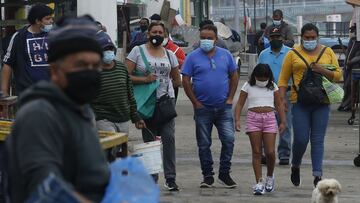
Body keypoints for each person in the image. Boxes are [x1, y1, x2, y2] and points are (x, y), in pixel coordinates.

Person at [6, 16, 110, 203]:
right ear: (54, 71)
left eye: (95, 66)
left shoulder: (82, 110)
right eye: (80, 65)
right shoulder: (39, 114)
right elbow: (44, 189)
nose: (90, 72)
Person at [278, 23, 342, 187]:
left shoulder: (327, 52)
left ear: (317, 37)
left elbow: (338, 75)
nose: (310, 40)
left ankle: (317, 175)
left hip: (322, 101)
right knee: (300, 139)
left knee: (318, 139)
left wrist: (322, 70)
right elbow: (283, 80)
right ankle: (296, 165)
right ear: (301, 37)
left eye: (313, 38)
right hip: (299, 102)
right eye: (307, 38)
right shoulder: (292, 54)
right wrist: (282, 99)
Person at [126, 22, 181, 191]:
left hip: (165, 101)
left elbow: (177, 79)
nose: (157, 34)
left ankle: (170, 178)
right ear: (148, 34)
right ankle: (151, 178)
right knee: (149, 142)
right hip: (146, 103)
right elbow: (126, 76)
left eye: (160, 32)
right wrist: (144, 80)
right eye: (154, 32)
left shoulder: (170, 54)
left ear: (165, 35)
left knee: (169, 139)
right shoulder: (137, 51)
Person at [182, 24, 238, 188]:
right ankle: (207, 175)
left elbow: (234, 77)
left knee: (228, 140)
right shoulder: (192, 57)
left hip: (223, 108)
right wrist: (195, 102)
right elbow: (185, 80)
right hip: (202, 109)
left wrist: (230, 99)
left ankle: (224, 173)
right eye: (203, 38)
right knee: (204, 144)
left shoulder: (226, 55)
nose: (206, 41)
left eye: (209, 38)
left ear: (216, 39)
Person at [92, 30, 146, 161]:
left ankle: (115, 175)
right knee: (109, 147)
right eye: (105, 49)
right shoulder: (92, 71)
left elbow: (129, 94)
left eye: (111, 49)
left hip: (122, 117)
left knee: (119, 150)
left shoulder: (121, 68)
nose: (109, 52)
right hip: (103, 118)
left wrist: (136, 117)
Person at [235, 64, 285, 195]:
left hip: (269, 118)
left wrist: (283, 121)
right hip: (253, 118)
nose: (262, 81)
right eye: (260, 79)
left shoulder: (273, 86)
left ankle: (269, 176)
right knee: (256, 151)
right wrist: (237, 119)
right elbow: (240, 103)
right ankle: (259, 182)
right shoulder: (247, 86)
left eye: (265, 79)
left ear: (269, 77)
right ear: (254, 76)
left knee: (270, 152)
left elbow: (279, 104)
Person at [2, 3, 54, 96]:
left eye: (51, 18)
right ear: (38, 21)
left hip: (52, 92)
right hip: (28, 93)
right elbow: (7, 64)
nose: (51, 21)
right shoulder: (19, 37)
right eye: (47, 18)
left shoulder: (54, 35)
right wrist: (4, 93)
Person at [258, 27, 292, 165]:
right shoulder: (263, 54)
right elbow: (258, 73)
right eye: (273, 37)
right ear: (269, 39)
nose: (275, 39)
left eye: (278, 37)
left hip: (286, 93)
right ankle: (267, 153)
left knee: (285, 123)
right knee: (265, 125)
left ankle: (284, 154)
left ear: (283, 38)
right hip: (267, 93)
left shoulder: (290, 53)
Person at [162, 28, 186, 101]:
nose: (160, 36)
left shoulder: (176, 49)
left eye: (163, 35)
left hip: (171, 84)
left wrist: (174, 59)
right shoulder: (146, 49)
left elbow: (184, 65)